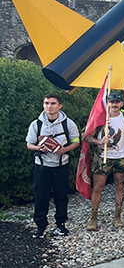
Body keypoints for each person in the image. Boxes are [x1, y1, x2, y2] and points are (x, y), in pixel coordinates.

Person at [26, 93, 80, 238]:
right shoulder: (36, 124)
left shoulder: (68, 123)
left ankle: (61, 225)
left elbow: (76, 141)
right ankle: (40, 226)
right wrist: (38, 148)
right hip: (42, 166)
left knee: (61, 196)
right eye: (46, 103)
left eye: (53, 103)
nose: (49, 106)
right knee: (40, 196)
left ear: (60, 106)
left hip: (61, 165)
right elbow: (29, 144)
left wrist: (65, 149)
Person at [85, 92, 124, 231]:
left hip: (121, 157)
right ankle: (93, 218)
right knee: (98, 187)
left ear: (121, 104)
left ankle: (117, 217)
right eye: (112, 102)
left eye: (117, 102)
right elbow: (87, 136)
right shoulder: (100, 117)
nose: (114, 104)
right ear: (107, 103)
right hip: (102, 158)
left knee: (120, 186)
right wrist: (99, 141)